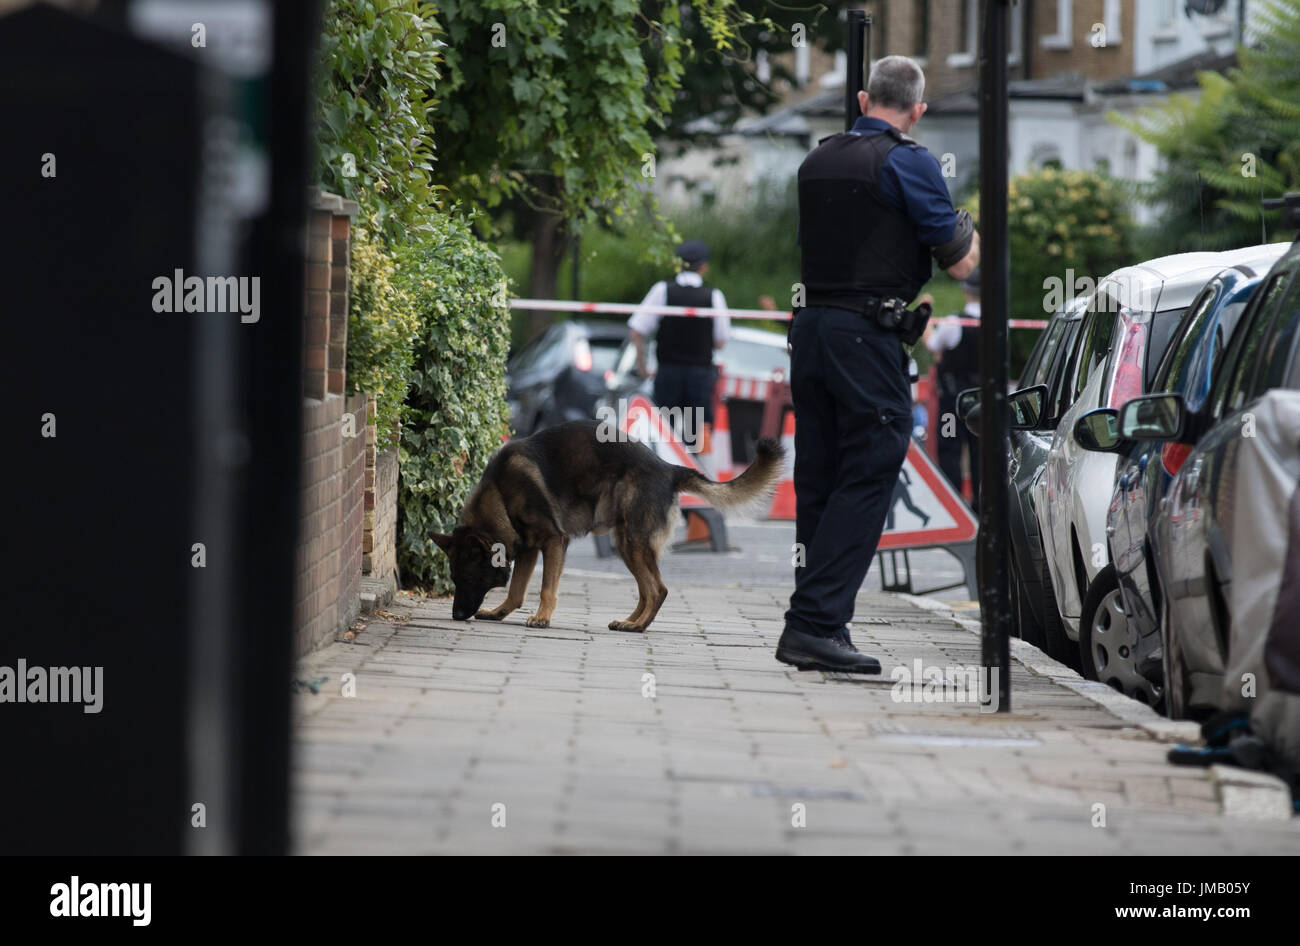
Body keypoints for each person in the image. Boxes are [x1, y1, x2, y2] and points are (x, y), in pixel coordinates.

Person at [774, 55, 979, 674]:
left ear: (863, 100)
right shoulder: (908, 158)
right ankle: (813, 624)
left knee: (821, 476)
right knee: (871, 469)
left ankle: (818, 623)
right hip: (865, 337)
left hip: (810, 330)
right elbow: (962, 264)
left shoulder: (817, 159)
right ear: (916, 111)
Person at [628, 240, 729, 454]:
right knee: (698, 441)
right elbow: (721, 341)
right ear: (704, 267)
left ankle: (663, 483)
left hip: (668, 373)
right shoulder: (714, 297)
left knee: (664, 436)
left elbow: (637, 331)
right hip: (700, 375)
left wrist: (642, 367)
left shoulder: (662, 291)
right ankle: (699, 481)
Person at [925, 268, 982, 506]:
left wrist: (925, 316)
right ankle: (982, 507)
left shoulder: (953, 322)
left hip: (953, 400)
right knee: (981, 452)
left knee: (950, 448)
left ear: (965, 290)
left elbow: (932, 344)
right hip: (983, 399)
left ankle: (953, 504)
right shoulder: (999, 324)